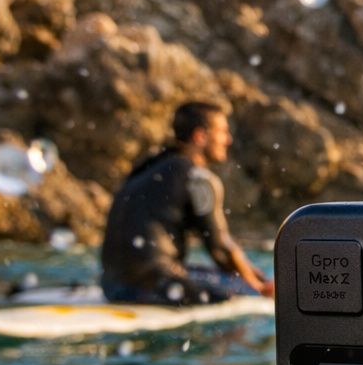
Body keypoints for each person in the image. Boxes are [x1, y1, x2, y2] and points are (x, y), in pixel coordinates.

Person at [100, 101, 273, 305]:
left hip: (113, 286)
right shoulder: (197, 177)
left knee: (215, 275)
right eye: (222, 132)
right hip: (155, 287)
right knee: (244, 293)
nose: (228, 140)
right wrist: (259, 288)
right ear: (200, 136)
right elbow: (221, 248)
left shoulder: (149, 166)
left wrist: (257, 277)